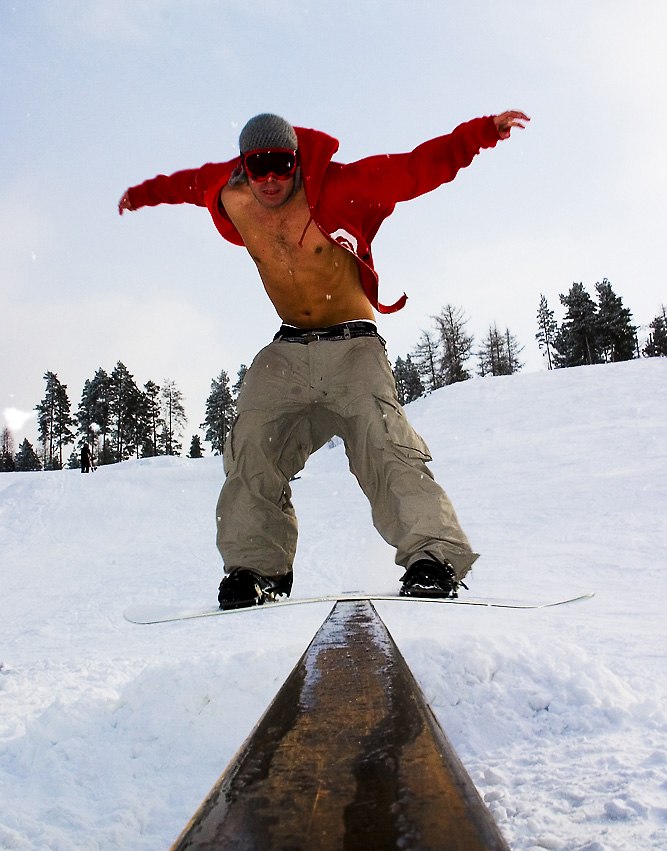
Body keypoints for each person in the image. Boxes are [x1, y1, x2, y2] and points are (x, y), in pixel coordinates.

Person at [119, 109, 529, 609]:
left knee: (385, 441)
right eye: (259, 166)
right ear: (243, 164)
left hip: (354, 347)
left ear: (297, 160)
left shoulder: (341, 187)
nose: (272, 179)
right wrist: (139, 195)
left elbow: (415, 169)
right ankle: (256, 569)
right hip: (288, 350)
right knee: (251, 444)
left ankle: (433, 557)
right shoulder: (227, 193)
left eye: (283, 165)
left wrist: (481, 133)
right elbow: (180, 185)